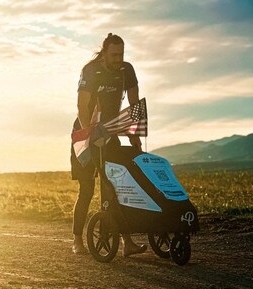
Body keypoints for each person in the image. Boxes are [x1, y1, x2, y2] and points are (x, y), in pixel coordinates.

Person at [70, 33, 147, 256]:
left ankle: (127, 242)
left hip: (110, 133)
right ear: (104, 53)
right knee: (87, 189)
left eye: (121, 54)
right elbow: (82, 105)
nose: (118, 58)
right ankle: (77, 241)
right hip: (85, 134)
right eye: (114, 54)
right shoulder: (91, 71)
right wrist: (90, 134)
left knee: (114, 187)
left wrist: (134, 133)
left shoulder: (127, 70)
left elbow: (134, 103)